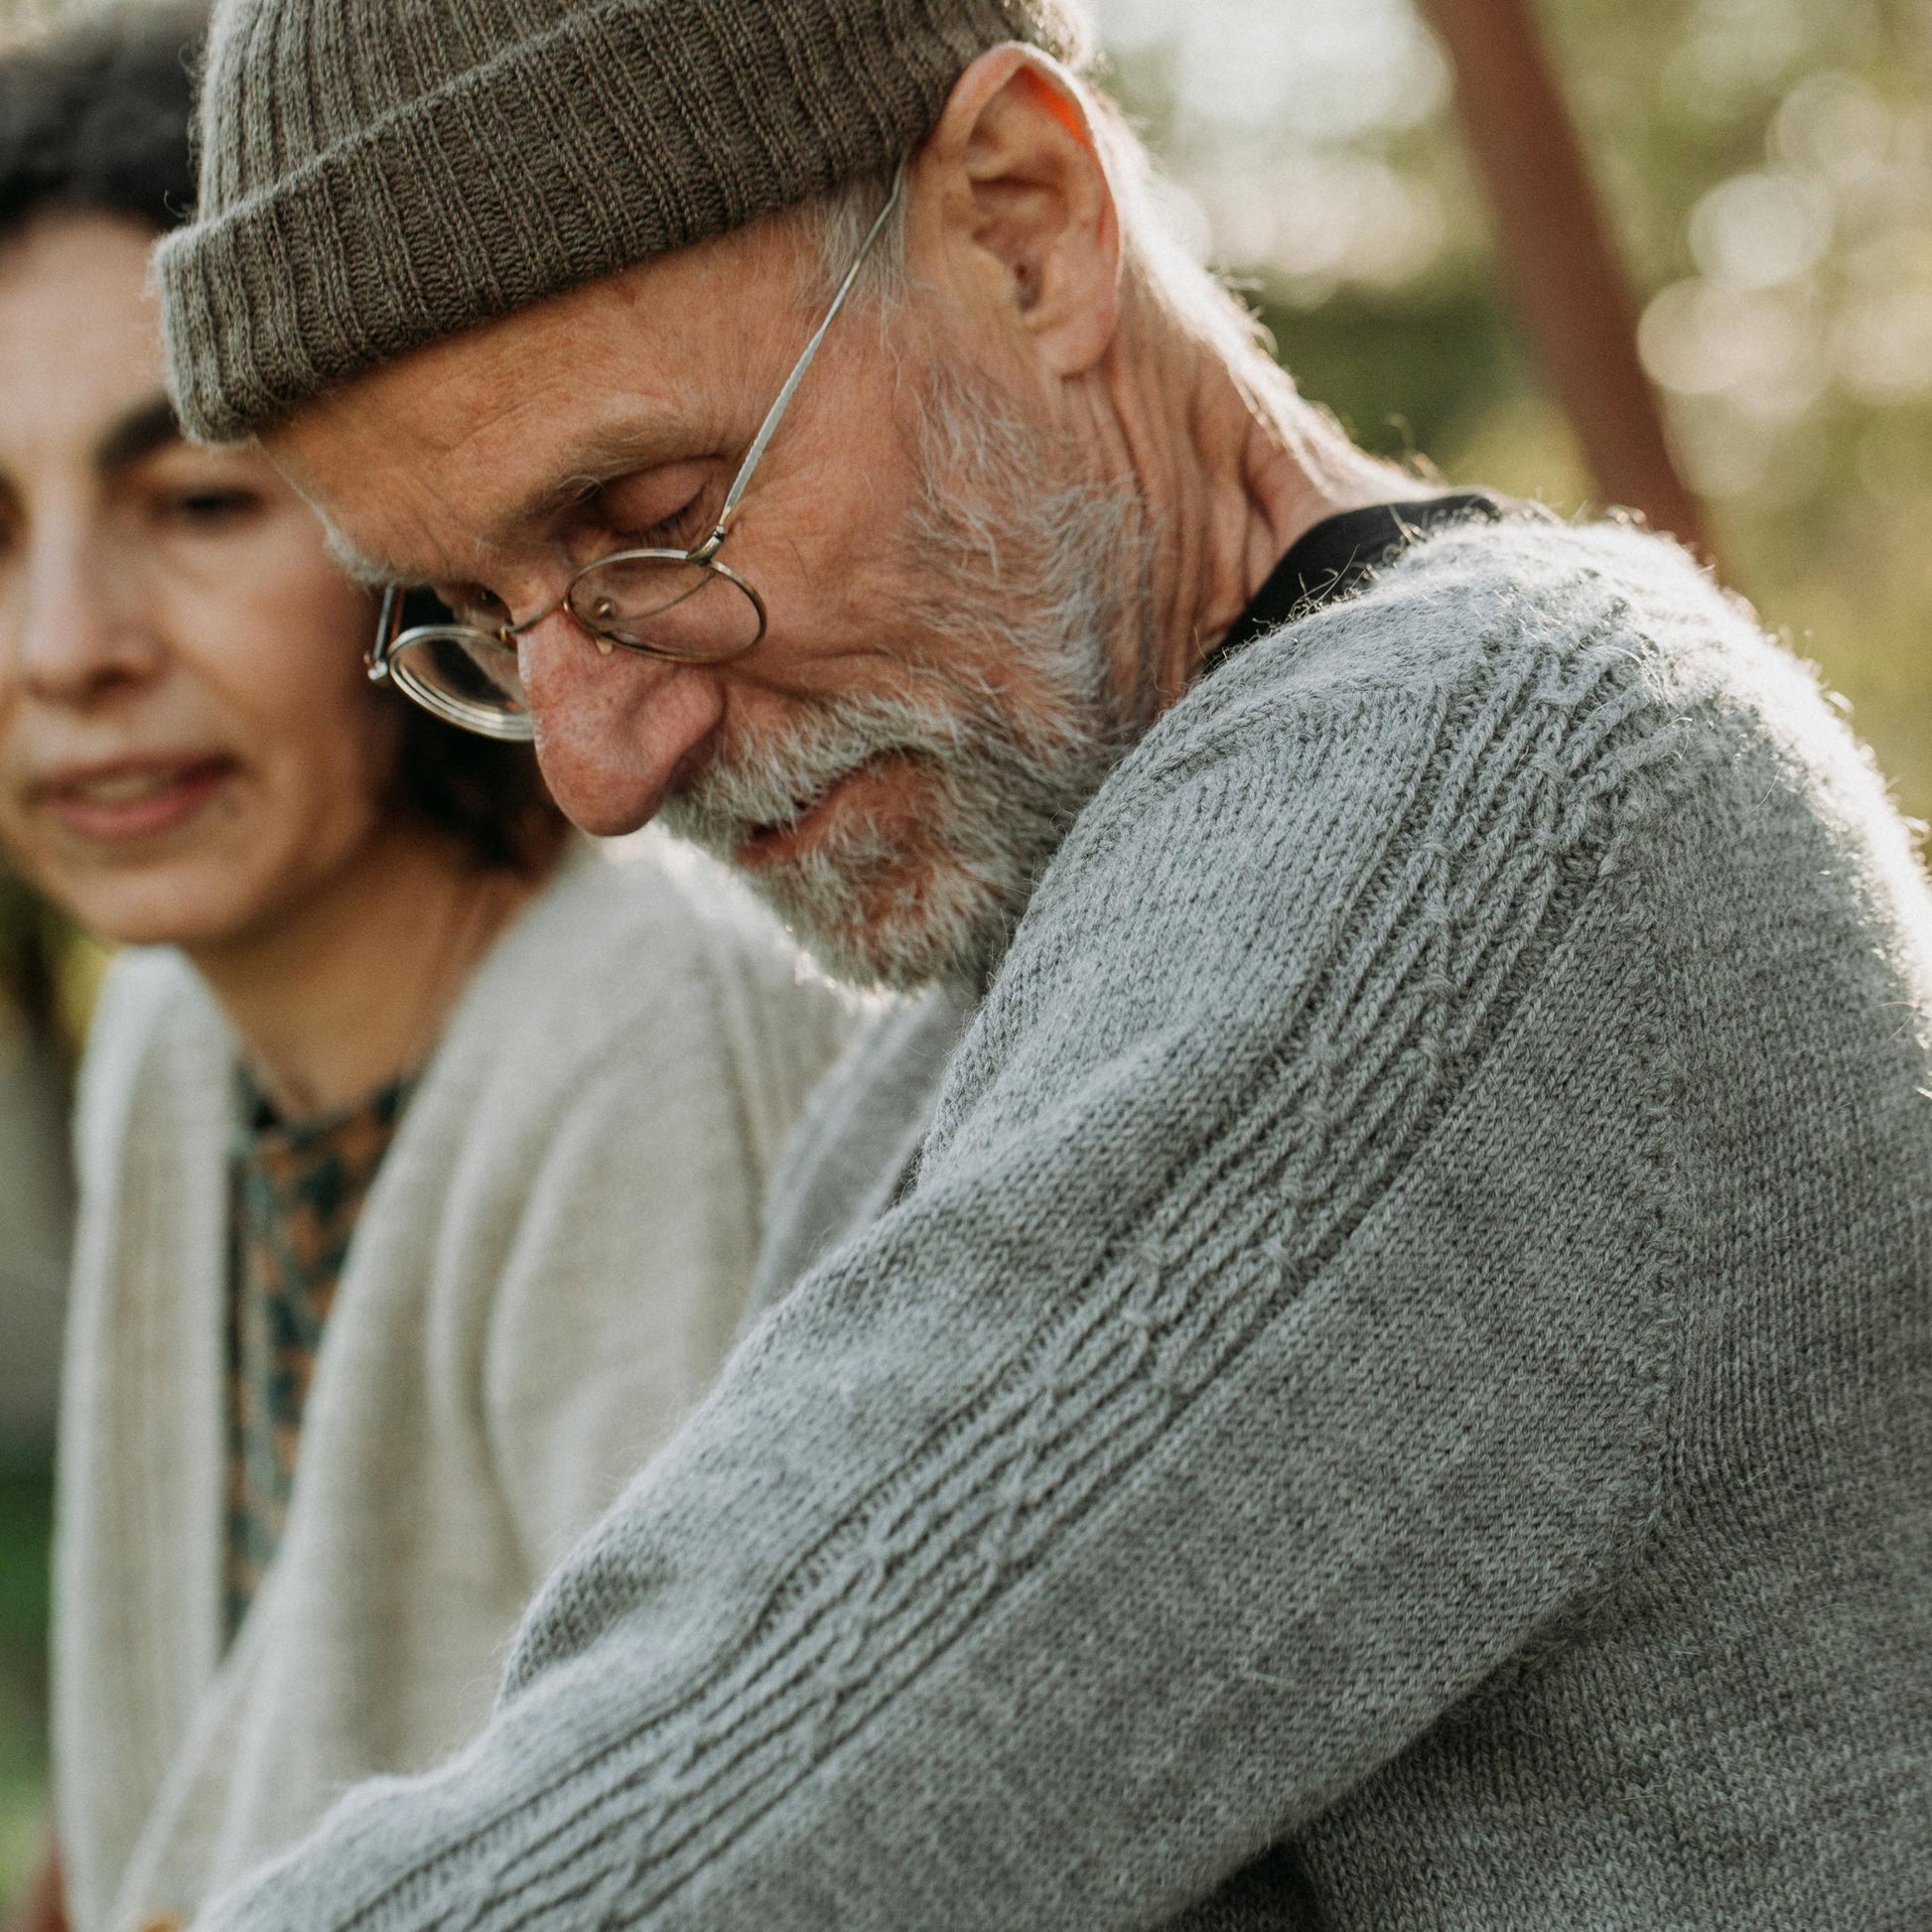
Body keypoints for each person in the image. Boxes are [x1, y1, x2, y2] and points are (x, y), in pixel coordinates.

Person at [149, 0, 1929, 1923]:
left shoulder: (1500, 783)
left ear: (1022, 219)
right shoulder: (992, 1016)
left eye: (647, 526)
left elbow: (680, 1849)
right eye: (484, 627)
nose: (594, 765)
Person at [0, 13, 863, 1932]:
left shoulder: (653, 1015)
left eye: (196, 503)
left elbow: (730, 1859)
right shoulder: (169, 1027)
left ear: (415, 521)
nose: (66, 648)